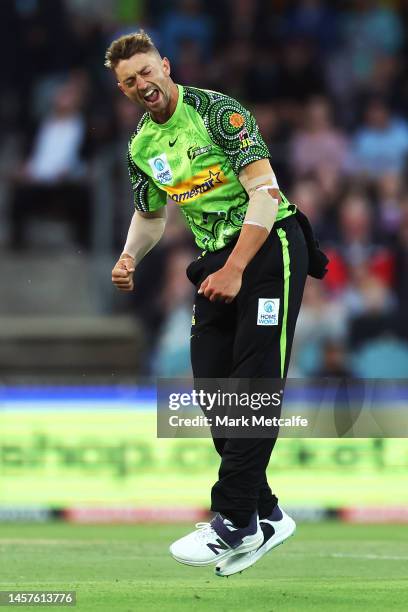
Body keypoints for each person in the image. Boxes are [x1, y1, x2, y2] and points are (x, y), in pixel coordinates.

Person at [106, 30, 327, 576]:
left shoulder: (217, 114)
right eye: (129, 81)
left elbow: (267, 192)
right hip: (217, 258)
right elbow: (152, 216)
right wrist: (130, 254)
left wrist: (235, 267)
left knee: (254, 385)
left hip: (270, 244)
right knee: (212, 390)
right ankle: (266, 514)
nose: (141, 85)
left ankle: (231, 518)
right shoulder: (142, 147)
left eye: (146, 72)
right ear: (123, 88)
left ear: (166, 66)